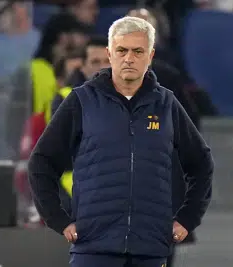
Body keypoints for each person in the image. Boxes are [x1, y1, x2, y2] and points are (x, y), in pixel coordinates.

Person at [28, 16, 214, 267]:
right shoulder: (80, 101)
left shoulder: (167, 105)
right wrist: (58, 218)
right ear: (110, 53)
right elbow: (41, 162)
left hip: (149, 250)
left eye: (138, 51)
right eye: (121, 50)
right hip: (93, 248)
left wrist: (187, 218)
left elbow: (201, 163)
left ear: (150, 56)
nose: (129, 58)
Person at [51, 36, 110, 115]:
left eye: (107, 61)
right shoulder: (66, 98)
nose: (103, 67)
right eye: (95, 62)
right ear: (83, 67)